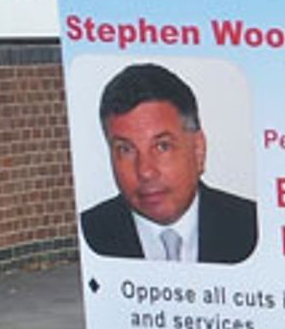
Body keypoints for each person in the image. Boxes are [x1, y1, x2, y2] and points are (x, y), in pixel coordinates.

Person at [79, 62, 257, 264]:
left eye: (162, 146)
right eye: (126, 150)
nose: (145, 171)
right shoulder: (87, 236)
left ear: (198, 149)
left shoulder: (254, 228)